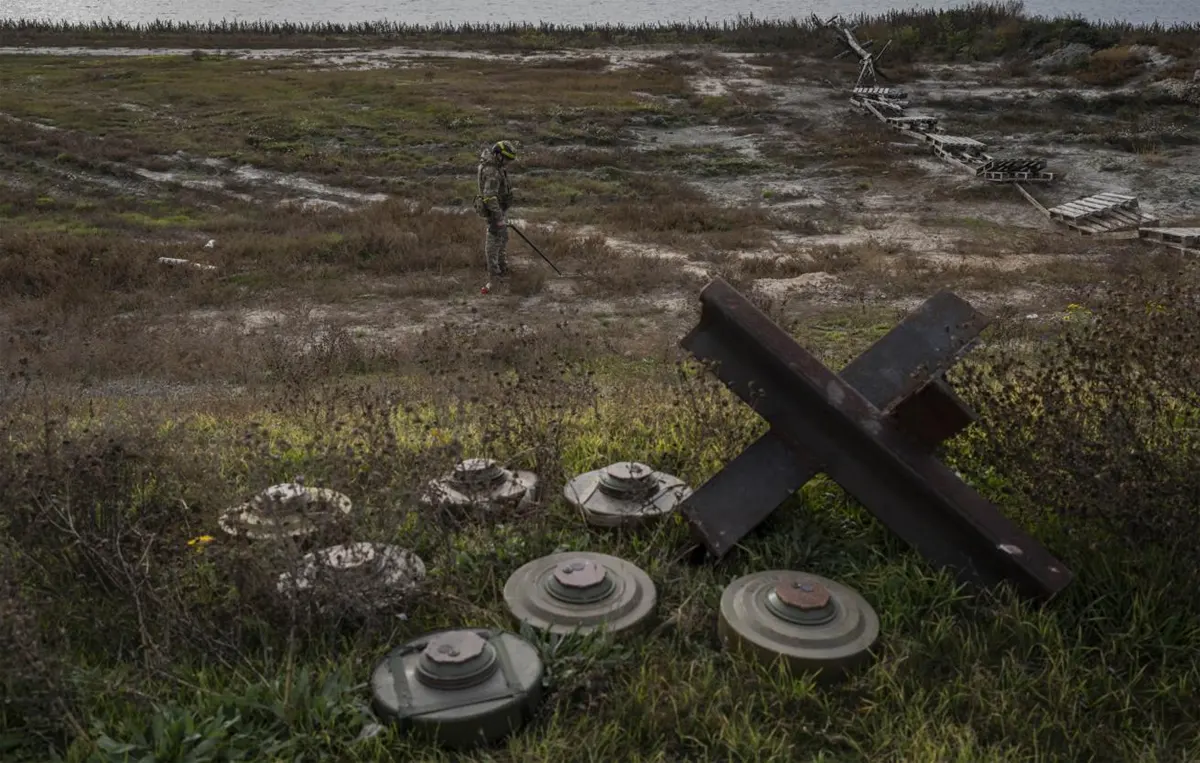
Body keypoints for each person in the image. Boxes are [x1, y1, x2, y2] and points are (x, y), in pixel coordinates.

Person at [474, 140, 517, 283]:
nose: (508, 163)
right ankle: (494, 272)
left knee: (503, 237)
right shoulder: (491, 171)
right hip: (494, 211)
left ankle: (502, 266)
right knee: (494, 240)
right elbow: (489, 197)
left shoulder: (497, 166)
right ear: (498, 155)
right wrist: (498, 217)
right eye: (507, 159)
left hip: (499, 208)